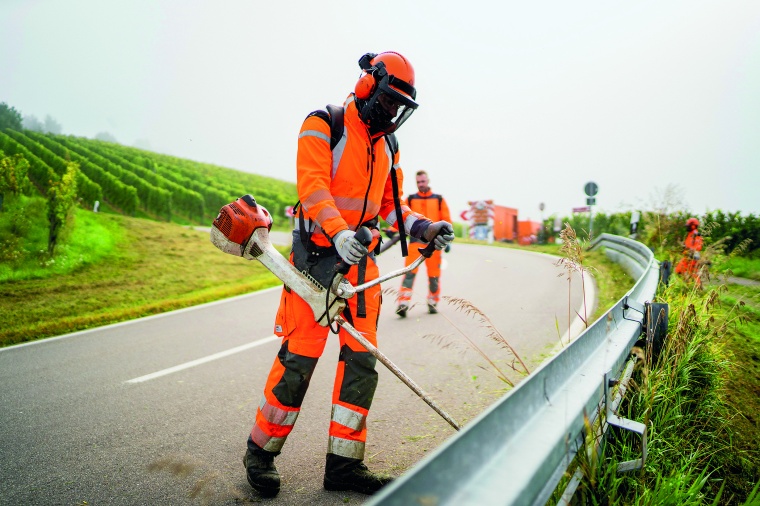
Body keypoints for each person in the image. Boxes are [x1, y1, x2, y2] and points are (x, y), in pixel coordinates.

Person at [243, 51, 455, 498]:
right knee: (298, 361)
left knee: (361, 363)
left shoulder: (388, 146)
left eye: (401, 105)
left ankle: (344, 465)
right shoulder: (324, 123)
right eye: (389, 99)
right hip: (314, 261)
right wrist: (338, 232)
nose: (393, 111)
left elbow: (392, 208)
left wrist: (425, 227)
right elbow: (313, 187)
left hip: (360, 265)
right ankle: (260, 453)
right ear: (367, 84)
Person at [396, 170, 452, 317]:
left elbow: (446, 219)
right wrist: (391, 230)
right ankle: (403, 303)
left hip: (434, 246)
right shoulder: (411, 199)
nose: (421, 184)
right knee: (409, 273)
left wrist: (448, 240)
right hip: (415, 243)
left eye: (423, 181)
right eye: (418, 182)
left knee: (434, 275)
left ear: (428, 181)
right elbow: (403, 217)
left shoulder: (438, 199)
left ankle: (433, 302)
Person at [674, 217, 703, 285]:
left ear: (693, 226)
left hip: (691, 259)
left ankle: (696, 289)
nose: (687, 227)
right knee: (679, 271)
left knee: (694, 275)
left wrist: (688, 249)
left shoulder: (695, 235)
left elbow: (698, 247)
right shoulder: (690, 234)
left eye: (688, 226)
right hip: (687, 257)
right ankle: (686, 285)